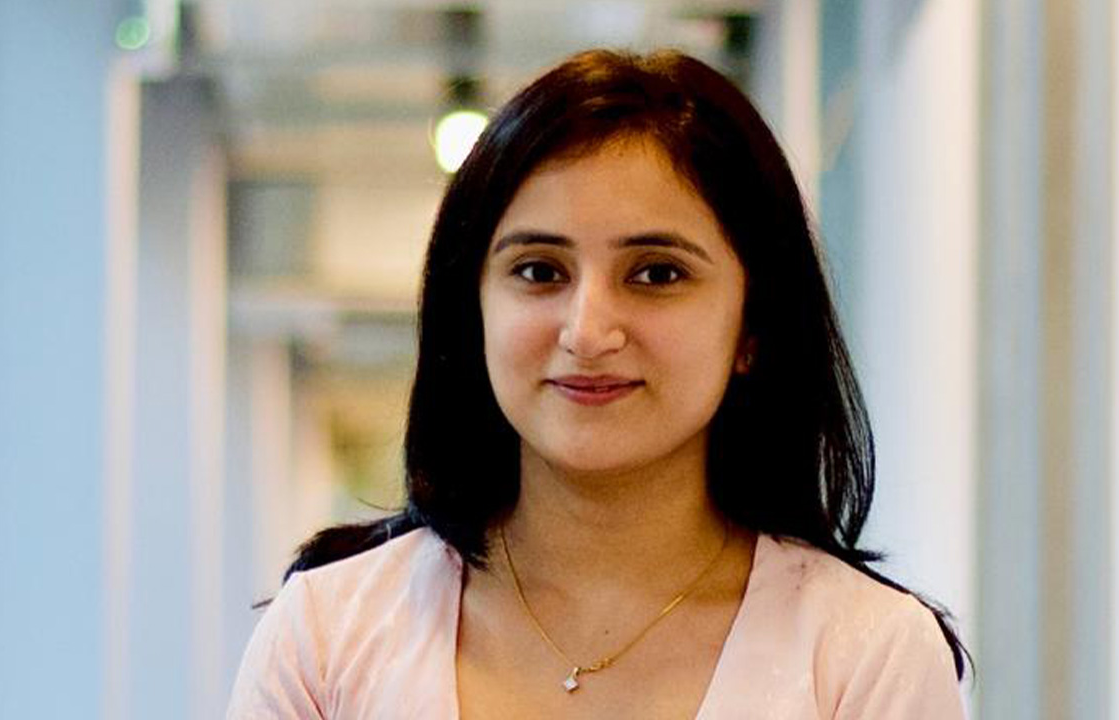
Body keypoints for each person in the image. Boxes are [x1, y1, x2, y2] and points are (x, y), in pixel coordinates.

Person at [227, 49, 969, 719]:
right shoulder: (326, 636)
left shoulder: (866, 657)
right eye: (539, 271)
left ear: (753, 324)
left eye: (657, 274)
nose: (586, 331)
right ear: (472, 311)